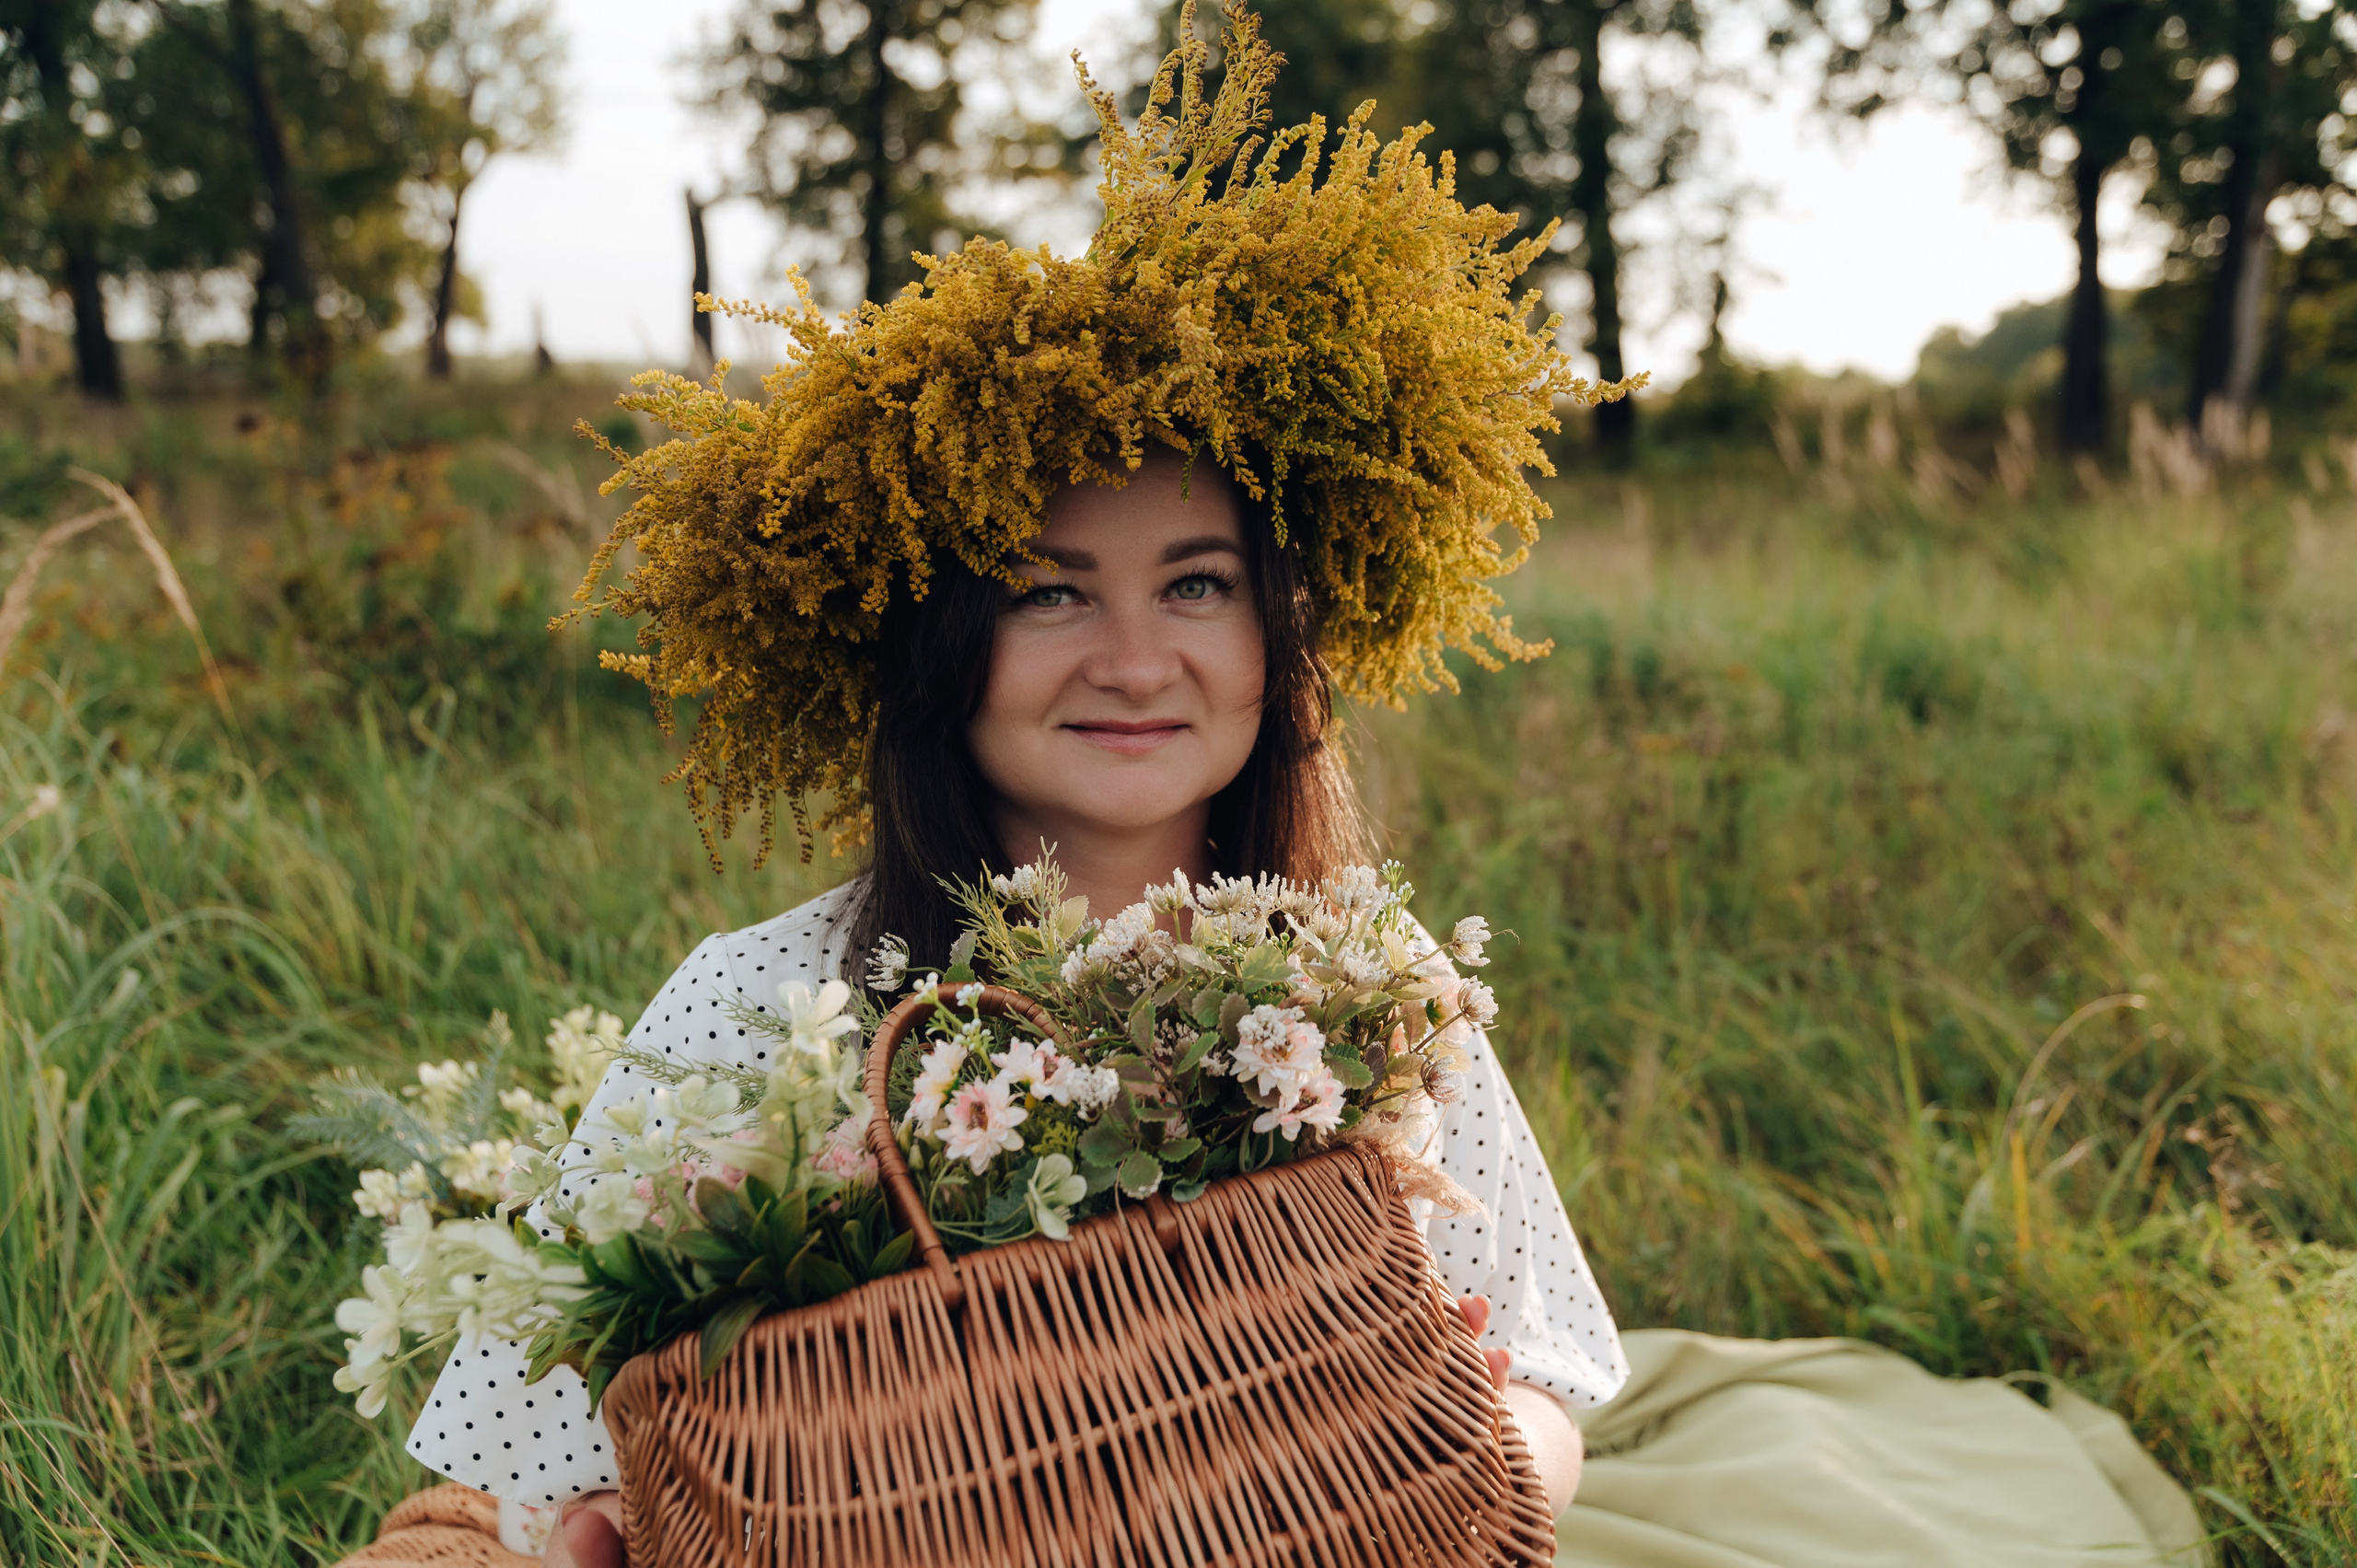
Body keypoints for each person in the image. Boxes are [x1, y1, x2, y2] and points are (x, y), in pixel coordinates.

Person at [347, 10, 2201, 1566]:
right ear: (933, 645)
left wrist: (1477, 1503)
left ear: (1278, 634)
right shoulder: (756, 1007)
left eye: (1198, 584)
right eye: (1047, 590)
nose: (1135, 659)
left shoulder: (1361, 998)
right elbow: (519, 1489)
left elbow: (1541, 1372)